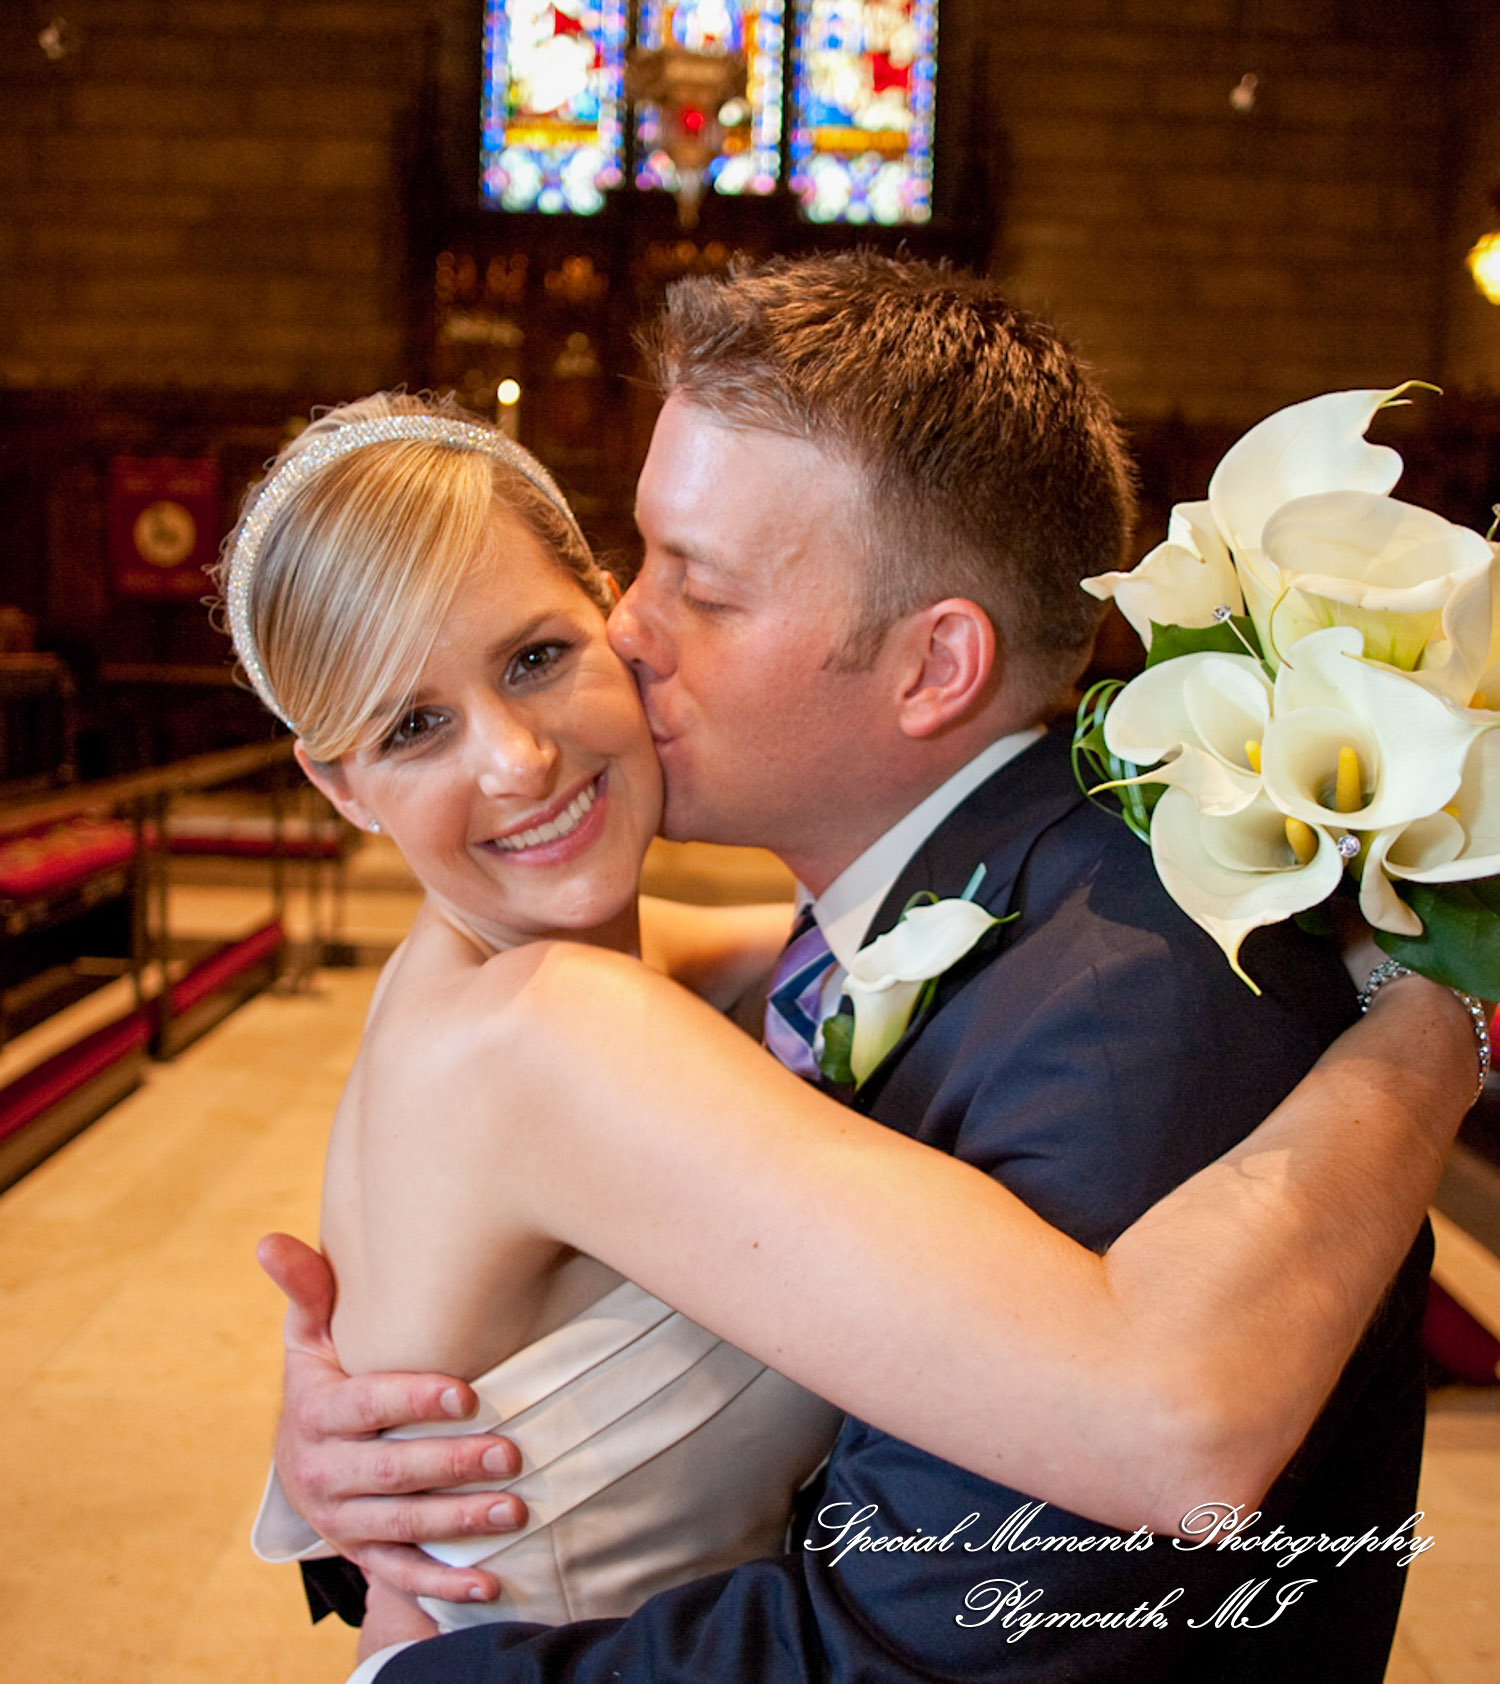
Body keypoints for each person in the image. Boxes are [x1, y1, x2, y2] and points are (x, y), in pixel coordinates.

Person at [257, 256, 1486, 1683]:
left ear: (932, 669)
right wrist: (360, 1438)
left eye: (694, 588)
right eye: (635, 560)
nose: (628, 631)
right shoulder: (827, 932)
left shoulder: (1123, 1001)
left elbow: (956, 1623)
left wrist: (1444, 994)